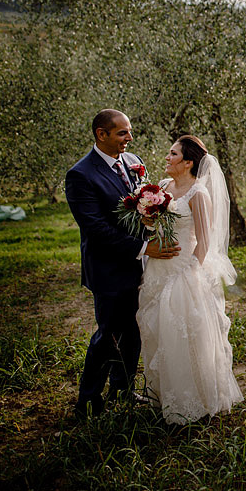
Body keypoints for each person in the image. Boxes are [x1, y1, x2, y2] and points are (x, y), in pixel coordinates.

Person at [65, 109, 180, 419]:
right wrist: (145, 247)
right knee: (108, 334)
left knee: (134, 331)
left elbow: (144, 201)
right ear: (101, 134)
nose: (130, 138)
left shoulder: (132, 162)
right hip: (108, 268)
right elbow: (96, 229)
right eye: (122, 133)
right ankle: (87, 401)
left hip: (140, 266)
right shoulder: (81, 175)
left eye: (129, 132)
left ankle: (123, 390)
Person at [137, 134, 243, 424]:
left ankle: (196, 398)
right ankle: (164, 395)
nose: (167, 158)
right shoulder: (161, 187)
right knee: (157, 330)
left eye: (173, 154)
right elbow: (151, 225)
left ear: (187, 162)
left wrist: (189, 274)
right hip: (157, 269)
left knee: (184, 333)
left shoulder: (199, 193)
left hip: (184, 272)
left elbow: (204, 244)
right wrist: (147, 218)